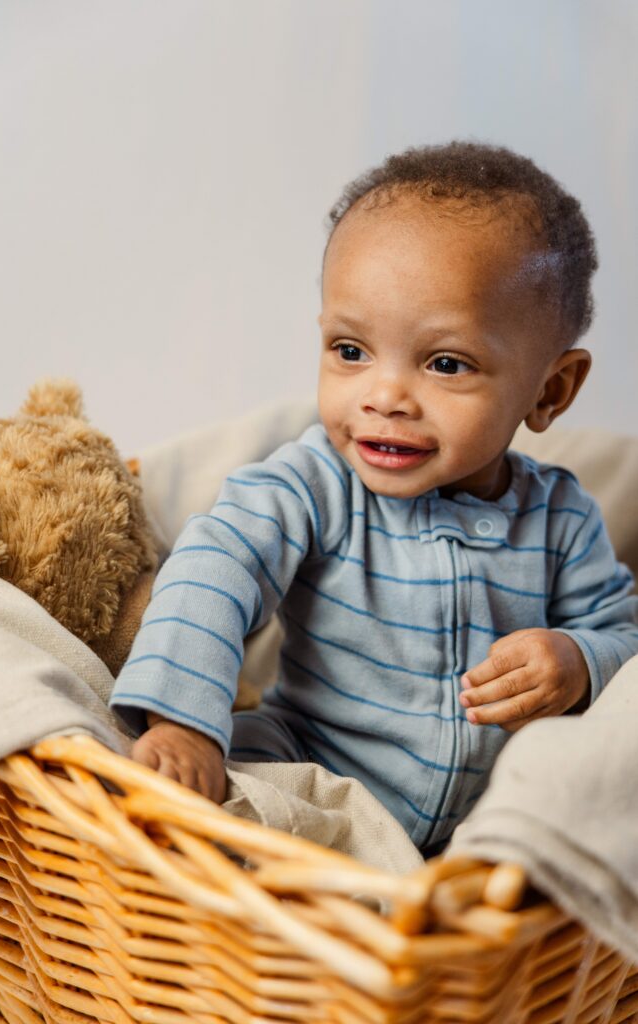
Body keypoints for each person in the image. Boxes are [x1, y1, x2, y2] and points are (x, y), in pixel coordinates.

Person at [110, 141, 638, 855]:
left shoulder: (560, 520)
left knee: (580, 816)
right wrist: (184, 722)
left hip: (486, 823)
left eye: (445, 363)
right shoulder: (310, 485)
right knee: (242, 797)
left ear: (549, 391)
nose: (383, 396)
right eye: (350, 351)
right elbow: (215, 567)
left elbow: (625, 642)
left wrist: (577, 662)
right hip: (315, 771)